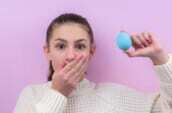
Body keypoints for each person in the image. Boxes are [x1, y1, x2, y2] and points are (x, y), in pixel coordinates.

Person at [13, 13, 172, 113]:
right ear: (47, 51)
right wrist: (58, 93)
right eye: (61, 46)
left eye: (80, 46)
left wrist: (160, 58)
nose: (71, 56)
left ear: (91, 52)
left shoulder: (114, 97)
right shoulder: (31, 96)